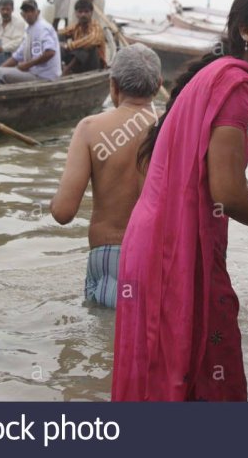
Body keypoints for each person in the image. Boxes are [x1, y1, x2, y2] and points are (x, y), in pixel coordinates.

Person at [112, 0, 248, 401]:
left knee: (167, 373)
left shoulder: (219, 77)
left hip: (157, 243)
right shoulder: (232, 86)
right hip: (171, 249)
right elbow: (229, 191)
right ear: (247, 31)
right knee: (200, 375)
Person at [51, 43, 163, 308]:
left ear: (113, 86)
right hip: (159, 257)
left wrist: (51, 201)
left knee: (105, 342)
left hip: (108, 256)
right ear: (158, 85)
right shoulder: (173, 125)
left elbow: (63, 212)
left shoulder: (90, 128)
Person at [0, 0, 61, 84]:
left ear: (37, 12)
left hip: (44, 77)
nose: (29, 14)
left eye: (32, 11)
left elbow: (50, 52)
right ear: (22, 15)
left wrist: (27, 65)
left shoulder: (42, 27)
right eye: (26, 11)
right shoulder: (30, 30)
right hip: (35, 73)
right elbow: (16, 57)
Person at [60, 0, 107, 75]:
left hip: (93, 65)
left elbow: (93, 39)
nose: (83, 15)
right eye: (80, 12)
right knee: (59, 39)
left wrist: (68, 46)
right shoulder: (76, 27)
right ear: (76, 13)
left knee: (87, 46)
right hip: (79, 63)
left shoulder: (96, 26)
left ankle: (66, 71)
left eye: (86, 12)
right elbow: (61, 32)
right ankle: (59, 68)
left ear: (91, 13)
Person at [0, 0, 26, 66]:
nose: (5, 12)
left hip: (12, 57)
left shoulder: (19, 23)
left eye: (8, 9)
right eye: (3, 9)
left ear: (12, 9)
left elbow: (18, 41)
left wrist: (2, 48)